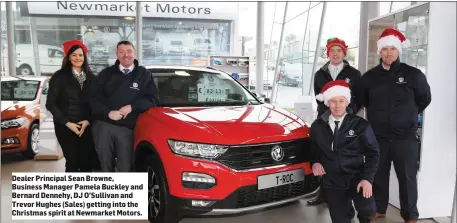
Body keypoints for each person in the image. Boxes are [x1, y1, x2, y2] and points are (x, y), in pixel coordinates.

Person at [354, 28, 432, 223]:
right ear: (379, 52)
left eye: (392, 48)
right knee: (378, 174)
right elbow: (361, 100)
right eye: (385, 49)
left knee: (407, 178)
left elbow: (424, 99)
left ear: (398, 51)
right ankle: (379, 208)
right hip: (378, 137)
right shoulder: (369, 77)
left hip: (404, 138)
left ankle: (410, 215)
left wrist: (406, 116)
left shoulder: (413, 75)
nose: (388, 52)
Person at [310, 80, 380, 223]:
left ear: (347, 102)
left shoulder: (361, 125)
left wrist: (367, 179)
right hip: (332, 180)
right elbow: (312, 147)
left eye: (341, 101)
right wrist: (315, 162)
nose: (337, 105)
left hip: (357, 176)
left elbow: (374, 154)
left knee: (368, 210)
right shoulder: (317, 126)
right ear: (328, 103)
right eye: (333, 101)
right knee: (340, 219)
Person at [90, 40, 159, 172]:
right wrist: (108, 113)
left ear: (134, 53)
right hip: (104, 125)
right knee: (104, 165)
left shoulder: (144, 74)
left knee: (126, 166)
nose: (125, 55)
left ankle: (124, 191)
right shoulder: (106, 74)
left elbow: (153, 99)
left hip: (128, 127)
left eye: (129, 51)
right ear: (117, 55)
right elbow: (93, 100)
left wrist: (132, 106)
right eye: (121, 52)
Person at [309, 37, 362, 206]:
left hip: (346, 120)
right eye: (332, 50)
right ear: (328, 53)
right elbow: (319, 96)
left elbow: (359, 97)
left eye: (338, 50)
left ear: (344, 53)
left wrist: (349, 112)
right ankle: (323, 193)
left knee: (344, 154)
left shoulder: (354, 74)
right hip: (325, 119)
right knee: (324, 154)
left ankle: (347, 192)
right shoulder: (320, 73)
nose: (335, 53)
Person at [45, 40, 96, 172]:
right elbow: (50, 104)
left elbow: (96, 103)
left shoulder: (92, 78)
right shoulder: (59, 77)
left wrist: (88, 121)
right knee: (72, 162)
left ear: (84, 57)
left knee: (86, 162)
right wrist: (67, 123)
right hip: (65, 126)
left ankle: (86, 192)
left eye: (80, 55)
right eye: (74, 55)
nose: (77, 58)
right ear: (68, 57)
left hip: (86, 126)